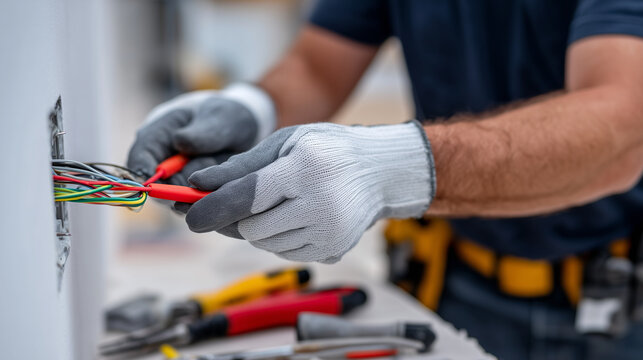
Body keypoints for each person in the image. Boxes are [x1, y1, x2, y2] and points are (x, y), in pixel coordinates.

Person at [127, 1, 643, 358]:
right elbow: (318, 65)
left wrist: (388, 169)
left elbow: (622, 128)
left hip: (617, 305)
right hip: (452, 279)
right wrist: (248, 109)